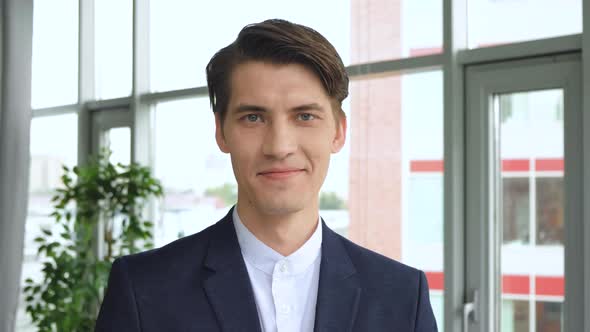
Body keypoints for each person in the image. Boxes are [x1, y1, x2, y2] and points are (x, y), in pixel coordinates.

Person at [96, 19, 437, 332]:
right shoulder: (143, 289)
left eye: (304, 116)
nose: (279, 146)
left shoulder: (403, 298)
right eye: (254, 118)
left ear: (338, 131)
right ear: (221, 131)